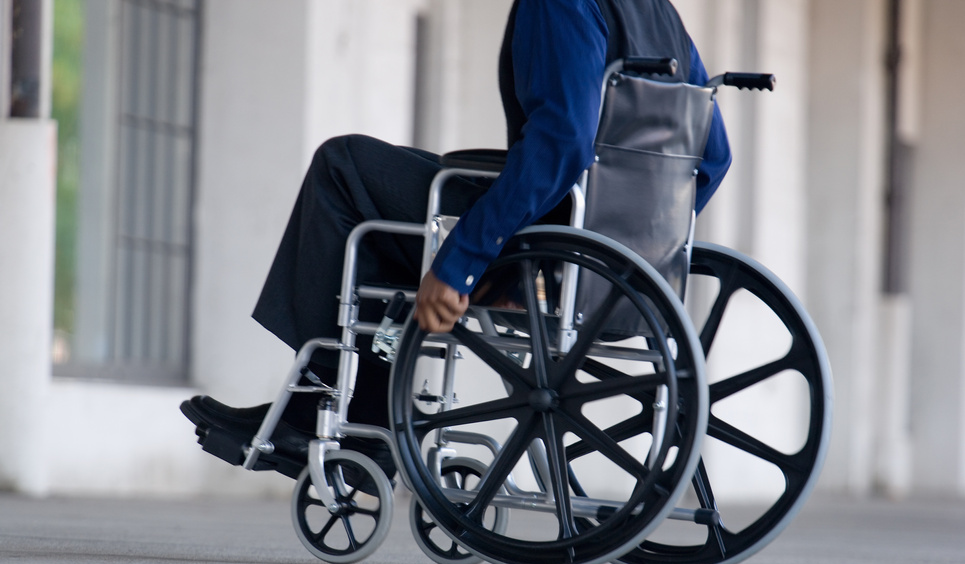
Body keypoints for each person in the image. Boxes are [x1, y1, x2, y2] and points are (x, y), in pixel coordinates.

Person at [181, 0, 731, 481]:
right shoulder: (661, 18)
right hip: (585, 251)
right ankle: (365, 416)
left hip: (541, 236)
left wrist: (469, 260)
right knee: (400, 204)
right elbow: (713, 158)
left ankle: (319, 405)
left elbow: (563, 144)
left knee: (344, 167)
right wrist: (629, 247)